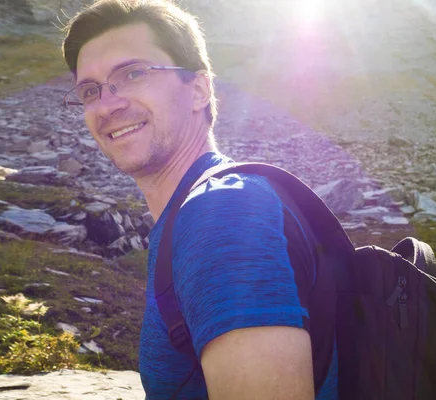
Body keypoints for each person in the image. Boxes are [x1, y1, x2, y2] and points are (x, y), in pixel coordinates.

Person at [62, 1, 337, 398]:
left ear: (199, 90)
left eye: (134, 73)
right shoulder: (198, 210)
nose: (107, 105)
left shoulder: (220, 213)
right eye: (90, 90)